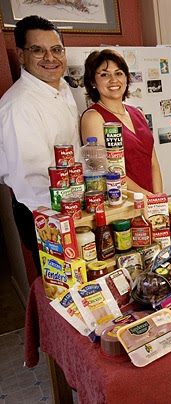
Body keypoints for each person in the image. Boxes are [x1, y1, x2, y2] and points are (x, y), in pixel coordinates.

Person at [0, 15, 80, 270]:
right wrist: (67, 221)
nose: (50, 57)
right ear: (21, 55)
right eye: (38, 50)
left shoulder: (61, 89)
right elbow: (33, 183)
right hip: (44, 214)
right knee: (61, 290)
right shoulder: (20, 105)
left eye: (56, 49)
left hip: (70, 205)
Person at [80, 49, 162, 194]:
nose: (113, 80)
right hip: (122, 203)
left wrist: (158, 198)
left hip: (150, 201)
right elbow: (106, 169)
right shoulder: (93, 117)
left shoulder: (138, 113)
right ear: (93, 81)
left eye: (118, 73)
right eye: (104, 74)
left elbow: (153, 163)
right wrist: (145, 196)